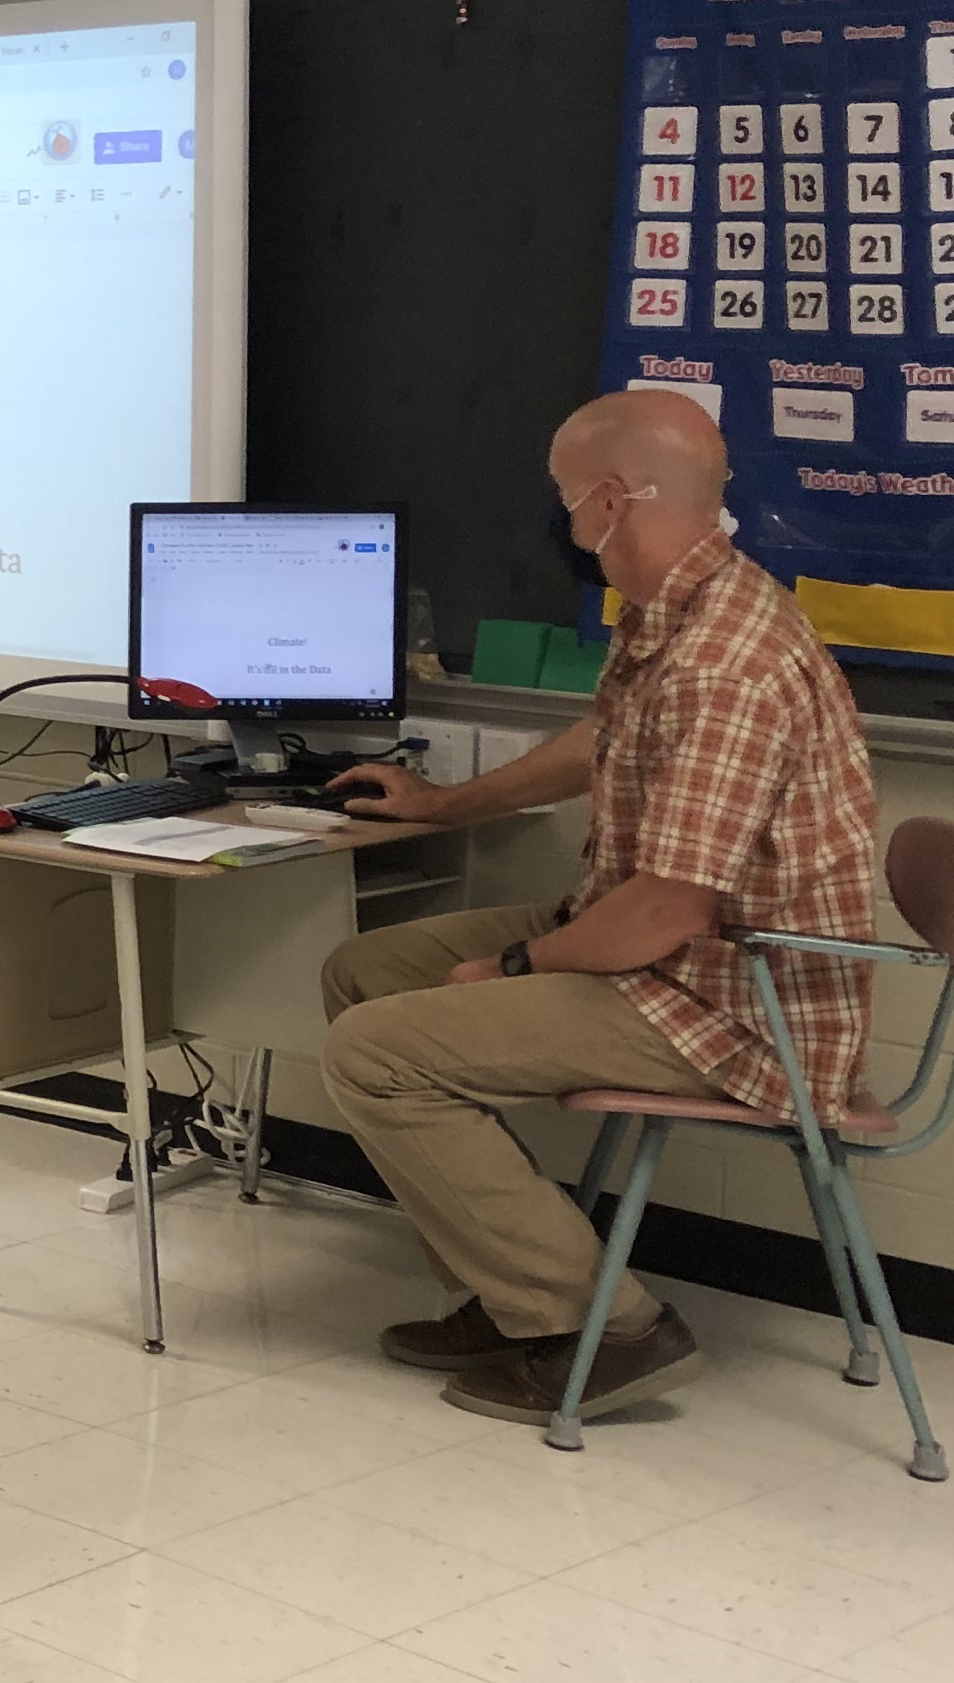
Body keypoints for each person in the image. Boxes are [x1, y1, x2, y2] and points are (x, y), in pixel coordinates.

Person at [321, 388, 879, 1423]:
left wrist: (515, 970)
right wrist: (444, 802)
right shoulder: (681, 608)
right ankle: (515, 1292)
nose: (562, 520)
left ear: (612, 501)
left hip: (731, 1004)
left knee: (375, 1053)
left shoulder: (726, 663)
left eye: (565, 498)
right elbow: (598, 745)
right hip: (672, 956)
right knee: (363, 973)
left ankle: (609, 1330)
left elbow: (667, 914)